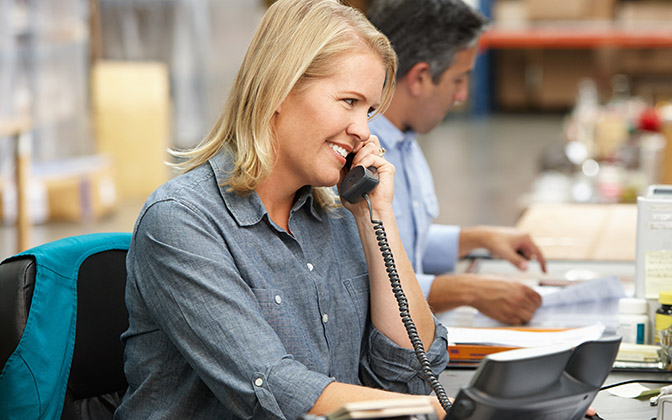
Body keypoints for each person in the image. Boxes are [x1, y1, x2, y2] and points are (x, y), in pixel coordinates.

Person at [114, 1, 449, 419]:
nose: (364, 131)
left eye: (369, 111)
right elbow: (274, 392)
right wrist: (436, 410)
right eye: (348, 101)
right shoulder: (182, 221)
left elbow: (412, 374)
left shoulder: (341, 216)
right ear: (279, 89)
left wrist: (374, 217)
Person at [367, 0, 547, 325]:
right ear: (420, 78)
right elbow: (365, 283)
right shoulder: (359, 158)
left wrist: (478, 239)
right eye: (458, 79)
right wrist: (468, 290)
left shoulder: (405, 142)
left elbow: (401, 245)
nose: (462, 94)